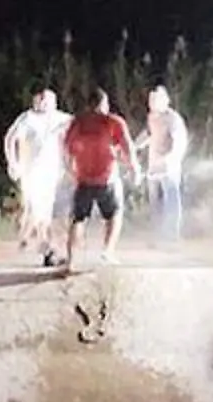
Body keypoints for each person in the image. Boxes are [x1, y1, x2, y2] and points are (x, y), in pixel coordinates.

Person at [63, 87, 141, 273]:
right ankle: (107, 251)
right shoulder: (113, 121)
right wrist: (134, 168)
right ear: (104, 104)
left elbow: (67, 149)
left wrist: (70, 171)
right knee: (115, 214)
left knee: (78, 218)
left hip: (83, 178)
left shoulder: (77, 122)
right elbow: (128, 147)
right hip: (107, 179)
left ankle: (71, 259)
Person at [4, 88, 74, 266]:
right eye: (41, 99)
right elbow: (10, 138)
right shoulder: (28, 118)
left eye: (47, 100)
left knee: (42, 210)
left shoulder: (59, 118)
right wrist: (13, 162)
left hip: (51, 172)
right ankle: (46, 248)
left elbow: (77, 125)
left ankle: (28, 237)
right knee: (38, 210)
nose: (43, 103)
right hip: (32, 172)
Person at [135, 85, 189, 242]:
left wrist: (171, 158)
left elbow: (180, 142)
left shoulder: (173, 119)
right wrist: (135, 145)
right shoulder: (152, 117)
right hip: (154, 166)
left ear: (165, 100)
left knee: (171, 200)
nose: (151, 103)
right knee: (155, 202)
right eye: (150, 100)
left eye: (155, 99)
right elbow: (149, 134)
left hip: (169, 168)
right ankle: (158, 235)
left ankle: (172, 235)